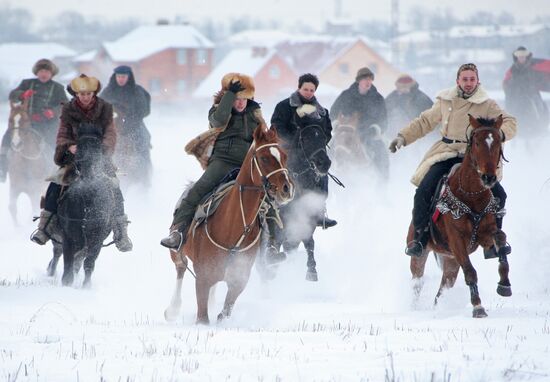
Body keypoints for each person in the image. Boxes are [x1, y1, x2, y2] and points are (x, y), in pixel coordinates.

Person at [389, 63, 517, 257]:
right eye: (464, 79)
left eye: (472, 79)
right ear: (458, 80)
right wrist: (402, 137)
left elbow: (510, 122)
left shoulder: (487, 104)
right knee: (424, 190)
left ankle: (494, 243)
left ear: (477, 81)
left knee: (499, 194)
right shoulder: (445, 100)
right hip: (446, 153)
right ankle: (421, 238)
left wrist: (497, 133)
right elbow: (424, 122)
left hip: (474, 159)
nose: (468, 83)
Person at [161, 73, 264, 250]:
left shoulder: (256, 118)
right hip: (222, 162)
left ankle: (271, 246)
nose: (240, 103)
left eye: (244, 99)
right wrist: (229, 95)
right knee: (197, 191)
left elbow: (263, 141)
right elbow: (219, 120)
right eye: (236, 98)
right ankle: (178, 232)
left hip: (247, 166)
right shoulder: (217, 111)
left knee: (269, 197)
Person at [30, 74, 132, 252]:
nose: (85, 97)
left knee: (114, 186)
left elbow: (110, 133)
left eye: (88, 94)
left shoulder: (105, 108)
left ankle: (120, 231)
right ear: (76, 94)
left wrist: (101, 149)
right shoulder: (68, 109)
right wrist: (68, 147)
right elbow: (62, 133)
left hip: (99, 157)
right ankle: (44, 228)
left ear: (94, 94)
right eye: (82, 94)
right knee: (55, 184)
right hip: (73, 159)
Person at [271, 73, 335, 229]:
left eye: (312, 90)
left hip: (312, 155)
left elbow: (327, 132)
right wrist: (295, 141)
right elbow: (277, 128)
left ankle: (319, 212)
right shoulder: (284, 106)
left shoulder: (321, 111)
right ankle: (273, 212)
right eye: (305, 89)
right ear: (299, 88)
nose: (308, 93)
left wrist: (316, 145)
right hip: (288, 152)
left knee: (323, 172)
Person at [0, 59, 68, 182]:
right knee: (8, 136)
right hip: (26, 122)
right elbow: (13, 95)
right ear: (37, 72)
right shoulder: (27, 83)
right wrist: (22, 94)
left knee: (52, 145)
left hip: (47, 124)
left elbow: (65, 105)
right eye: (41, 70)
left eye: (47, 71)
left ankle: (54, 170)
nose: (44, 74)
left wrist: (53, 112)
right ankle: (2, 168)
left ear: (51, 73)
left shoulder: (57, 88)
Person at [330, 67, 389, 178]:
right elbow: (333, 112)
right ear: (358, 81)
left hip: (368, 133)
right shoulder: (345, 95)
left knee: (381, 152)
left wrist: (374, 129)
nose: (368, 82)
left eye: (370, 79)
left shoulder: (378, 98)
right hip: (346, 131)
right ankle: (327, 177)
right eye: (365, 79)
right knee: (330, 149)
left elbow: (384, 120)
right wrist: (337, 124)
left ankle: (382, 182)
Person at [100, 65, 152, 184]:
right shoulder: (108, 91)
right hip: (112, 126)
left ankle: (144, 177)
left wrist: (128, 114)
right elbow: (100, 107)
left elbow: (144, 110)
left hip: (134, 125)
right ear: (115, 77)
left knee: (144, 139)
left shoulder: (137, 91)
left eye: (123, 76)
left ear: (129, 77)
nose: (121, 79)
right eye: (119, 76)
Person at [503, 46, 550, 136]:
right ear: (516, 57)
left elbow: (543, 77)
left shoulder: (534, 67)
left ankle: (541, 128)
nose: (521, 58)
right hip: (517, 96)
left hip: (532, 94)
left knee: (540, 108)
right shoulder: (512, 70)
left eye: (523, 55)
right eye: (519, 56)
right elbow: (506, 84)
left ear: (527, 56)